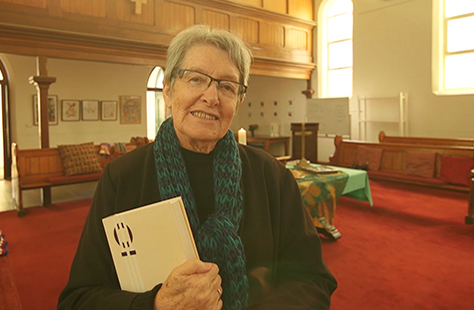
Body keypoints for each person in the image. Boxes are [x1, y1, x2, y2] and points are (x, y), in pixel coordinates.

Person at [57, 24, 337, 310]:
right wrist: (155, 304)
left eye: (227, 86)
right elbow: (78, 298)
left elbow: (312, 279)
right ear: (167, 91)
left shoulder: (271, 175)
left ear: (237, 101)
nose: (211, 96)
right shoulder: (123, 177)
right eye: (195, 79)